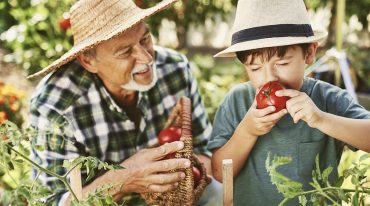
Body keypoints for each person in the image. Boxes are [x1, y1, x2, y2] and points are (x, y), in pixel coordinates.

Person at [28, 0, 221, 205]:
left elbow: (204, 151)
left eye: (145, 39)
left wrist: (183, 172)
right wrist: (123, 179)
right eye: (125, 51)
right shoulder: (55, 106)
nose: (146, 58)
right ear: (88, 60)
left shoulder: (175, 68)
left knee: (217, 192)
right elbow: (51, 201)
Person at [207, 0, 370, 205]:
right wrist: (247, 131)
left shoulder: (329, 100)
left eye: (282, 63)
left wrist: (321, 120)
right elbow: (219, 173)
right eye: (255, 68)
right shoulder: (236, 101)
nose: (269, 78)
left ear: (309, 53)